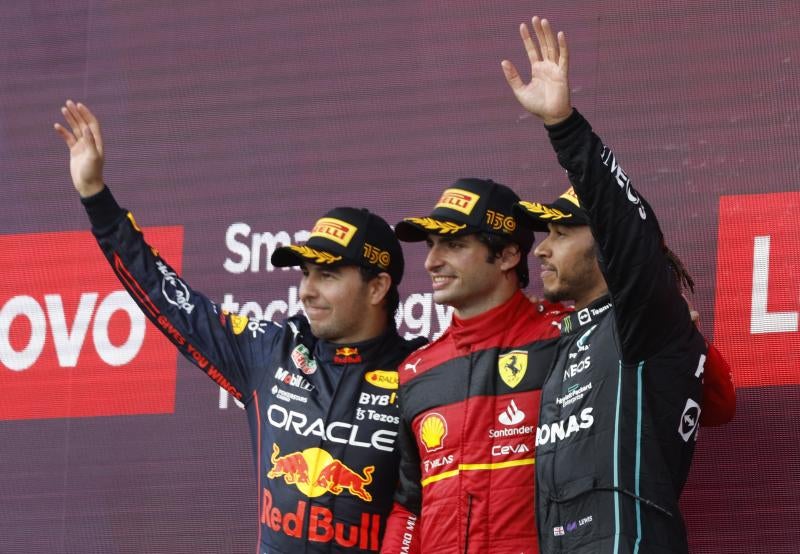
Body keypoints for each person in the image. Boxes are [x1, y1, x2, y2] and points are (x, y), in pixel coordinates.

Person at [54, 101, 425, 554]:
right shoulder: (272, 353)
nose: (307, 291)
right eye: (304, 274)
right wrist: (96, 198)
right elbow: (170, 300)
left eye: (326, 275)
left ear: (377, 287)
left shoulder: (422, 373)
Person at [503, 16, 716, 552]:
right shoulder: (572, 335)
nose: (542, 249)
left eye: (559, 232)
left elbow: (629, 230)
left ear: (606, 243)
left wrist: (565, 126)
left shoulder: (644, 318)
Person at [379, 178, 566, 553]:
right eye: (431, 246)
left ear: (508, 255)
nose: (432, 261)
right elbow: (410, 505)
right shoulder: (416, 370)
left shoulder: (566, 337)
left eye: (455, 245)